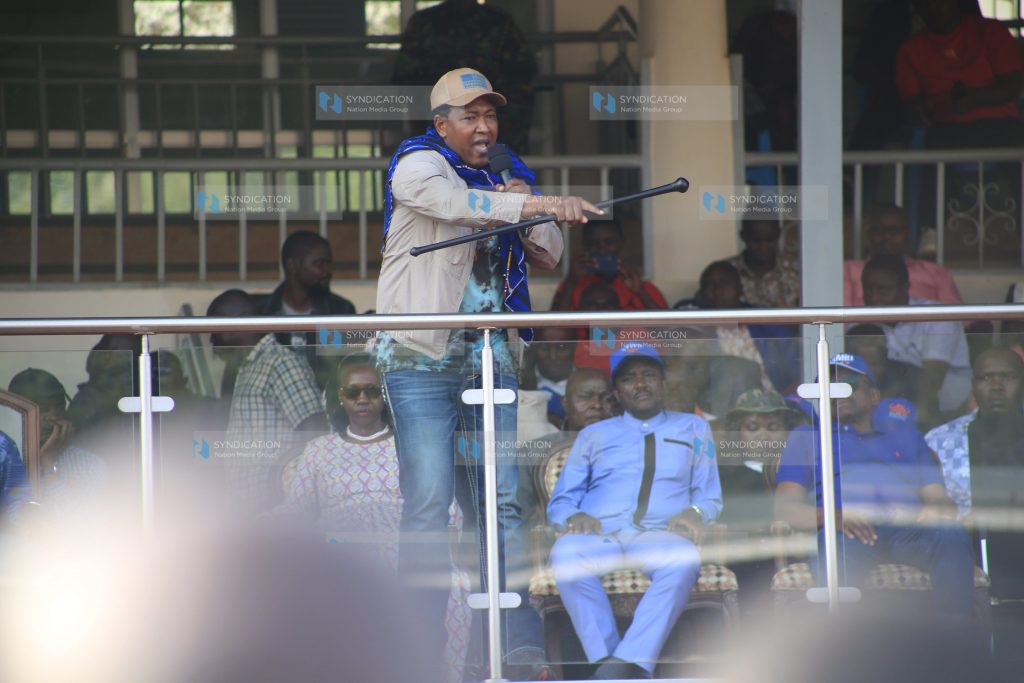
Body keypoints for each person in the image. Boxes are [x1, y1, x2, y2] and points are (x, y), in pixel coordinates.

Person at [373, 67, 598, 679]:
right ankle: (413, 657)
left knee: (497, 507)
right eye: (469, 116)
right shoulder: (417, 164)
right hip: (420, 358)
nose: (482, 126)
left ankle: (513, 650)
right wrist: (538, 199)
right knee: (427, 506)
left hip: (492, 358)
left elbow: (548, 249)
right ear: (441, 123)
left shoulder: (502, 181)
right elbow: (454, 205)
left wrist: (524, 186)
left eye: (490, 115)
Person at [275, 358, 471, 683]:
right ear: (340, 396)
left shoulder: (412, 445)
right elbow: (294, 511)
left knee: (456, 582)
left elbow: (443, 506)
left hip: (406, 541)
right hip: (341, 548)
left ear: (385, 396)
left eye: (372, 391)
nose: (363, 399)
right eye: (353, 392)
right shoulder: (318, 451)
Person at [547, 343, 722, 679]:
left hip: (659, 535)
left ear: (663, 383)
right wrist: (573, 517)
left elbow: (709, 495)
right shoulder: (593, 435)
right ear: (617, 391)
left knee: (683, 558)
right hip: (599, 536)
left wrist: (695, 512)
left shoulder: (694, 428)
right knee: (566, 553)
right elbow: (562, 500)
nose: (640, 384)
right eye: (629, 379)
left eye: (648, 375)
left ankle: (624, 666)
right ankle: (611, 663)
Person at [774, 353, 975, 618]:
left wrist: (937, 511)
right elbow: (785, 508)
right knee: (835, 553)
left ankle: (957, 647)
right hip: (847, 532)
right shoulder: (806, 437)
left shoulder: (903, 435)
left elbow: (938, 496)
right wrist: (832, 517)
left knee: (951, 535)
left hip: (909, 530)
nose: (838, 392)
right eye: (829, 386)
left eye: (848, 384)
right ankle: (846, 652)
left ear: (873, 396)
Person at [207, 289, 328, 514]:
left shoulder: (280, 362)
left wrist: (285, 490)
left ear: (241, 322)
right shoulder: (246, 367)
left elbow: (315, 430)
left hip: (276, 508)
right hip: (249, 510)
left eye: (215, 329)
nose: (211, 338)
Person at [925, 347, 1024, 599]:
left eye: (1008, 377)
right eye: (986, 378)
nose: (997, 386)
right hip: (969, 550)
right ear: (973, 384)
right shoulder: (941, 440)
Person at [392, 0, 537, 154]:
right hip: (435, 126)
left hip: (497, 139)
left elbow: (522, 74)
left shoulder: (497, 21)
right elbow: (406, 79)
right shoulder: (424, 22)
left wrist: (503, 122)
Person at [861, 254, 971, 428]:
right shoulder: (861, 322)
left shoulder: (936, 317)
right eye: (868, 290)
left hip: (944, 413)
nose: (874, 297)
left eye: (883, 290)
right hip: (887, 410)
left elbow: (930, 383)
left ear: (905, 287)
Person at [896, 0, 1024, 150]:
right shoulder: (910, 50)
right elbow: (912, 104)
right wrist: (921, 112)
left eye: (939, 2)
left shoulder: (992, 31)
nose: (932, 7)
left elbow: (1014, 83)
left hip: (1000, 124)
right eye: (924, 3)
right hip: (946, 129)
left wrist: (974, 98)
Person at [674, 261, 801, 400]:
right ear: (700, 294)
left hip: (775, 405)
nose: (717, 290)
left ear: (741, 289)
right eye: (708, 285)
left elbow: (796, 372)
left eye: (724, 282)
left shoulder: (765, 321)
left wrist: (784, 403)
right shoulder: (696, 330)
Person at [257, 230, 357, 390]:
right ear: (293, 265)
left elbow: (345, 368)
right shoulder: (261, 313)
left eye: (329, 264)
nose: (328, 271)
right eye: (319, 264)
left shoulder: (340, 310)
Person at [7, 368, 107, 515]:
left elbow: (81, 524)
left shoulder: (89, 464)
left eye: (59, 407)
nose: (53, 416)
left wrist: (49, 465)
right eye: (43, 408)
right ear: (15, 412)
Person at [843, 203, 962, 306]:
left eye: (894, 232)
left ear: (908, 234)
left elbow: (956, 319)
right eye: (879, 231)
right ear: (869, 235)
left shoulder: (936, 272)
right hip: (869, 331)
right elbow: (841, 321)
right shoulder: (848, 270)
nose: (886, 237)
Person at [551, 221, 668, 312]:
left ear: (621, 243)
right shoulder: (572, 284)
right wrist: (571, 282)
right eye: (593, 243)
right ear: (584, 245)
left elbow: (669, 331)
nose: (602, 249)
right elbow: (552, 334)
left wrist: (641, 292)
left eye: (609, 242)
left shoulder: (639, 285)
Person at [726, 217, 800, 308]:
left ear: (778, 235)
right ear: (743, 236)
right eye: (756, 241)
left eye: (769, 241)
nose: (762, 248)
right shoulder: (726, 272)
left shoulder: (795, 271)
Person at [519, 327, 578, 428]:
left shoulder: (590, 383)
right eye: (544, 347)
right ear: (533, 347)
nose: (553, 356)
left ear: (574, 347)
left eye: (562, 347)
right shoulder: (519, 384)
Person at [845, 323, 921, 401]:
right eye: (864, 366)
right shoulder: (839, 381)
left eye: (875, 365)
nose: (869, 372)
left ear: (885, 357)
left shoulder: (909, 377)